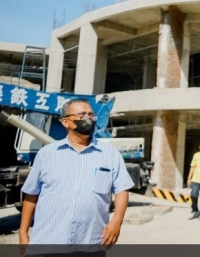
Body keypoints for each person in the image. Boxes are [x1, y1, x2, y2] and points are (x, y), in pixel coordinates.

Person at [19, 99, 134, 253]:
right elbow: (32, 195)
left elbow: (121, 190)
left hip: (91, 241)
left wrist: (116, 222)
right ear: (66, 122)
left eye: (91, 115)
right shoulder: (47, 154)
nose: (88, 118)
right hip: (49, 240)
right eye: (82, 114)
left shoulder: (110, 154)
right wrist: (23, 232)